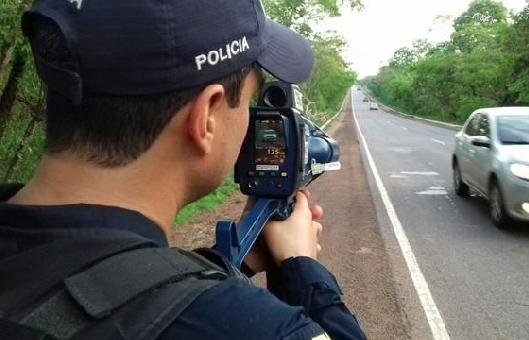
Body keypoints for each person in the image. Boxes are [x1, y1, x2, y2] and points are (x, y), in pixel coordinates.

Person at [0, 0, 366, 339]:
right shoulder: (255, 329)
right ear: (206, 117)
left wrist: (230, 263)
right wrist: (303, 270)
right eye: (250, 103)